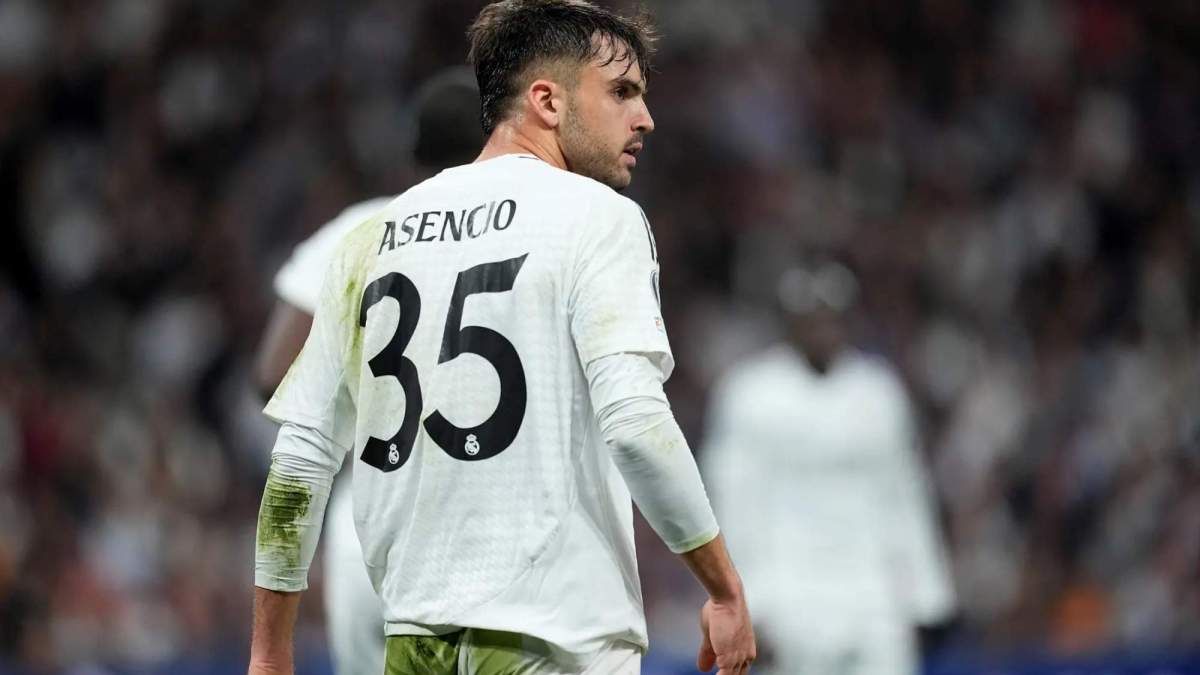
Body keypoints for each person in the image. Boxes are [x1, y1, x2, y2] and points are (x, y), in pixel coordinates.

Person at [247, 2, 756, 675]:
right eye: (622, 92)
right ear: (546, 100)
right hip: (554, 637)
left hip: (415, 641)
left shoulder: (370, 238)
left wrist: (268, 652)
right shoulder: (597, 217)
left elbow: (299, 462)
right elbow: (635, 423)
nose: (645, 118)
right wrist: (723, 587)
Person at [253, 67, 484, 675]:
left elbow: (272, 372)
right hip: (479, 516)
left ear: (413, 151)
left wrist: (370, 412)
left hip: (368, 517)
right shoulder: (518, 234)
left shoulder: (358, 230)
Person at [702, 259, 955, 675]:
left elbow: (905, 498)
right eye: (811, 316)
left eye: (832, 315)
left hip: (872, 596)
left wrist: (925, 595)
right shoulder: (750, 394)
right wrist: (745, 606)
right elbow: (732, 507)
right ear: (789, 320)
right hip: (787, 594)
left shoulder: (878, 393)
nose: (823, 327)